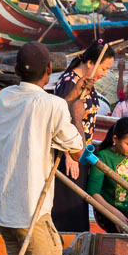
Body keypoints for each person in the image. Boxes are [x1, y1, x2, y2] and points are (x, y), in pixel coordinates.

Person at [0, 42, 82, 255]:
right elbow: (77, 148)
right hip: (33, 213)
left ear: (17, 70)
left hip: (6, 213)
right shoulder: (53, 104)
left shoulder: (3, 97)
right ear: (48, 71)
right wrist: (73, 111)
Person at [48, 40, 114, 233]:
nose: (105, 74)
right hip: (69, 156)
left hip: (81, 152)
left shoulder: (86, 83)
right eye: (104, 68)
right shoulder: (70, 82)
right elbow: (61, 119)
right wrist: (70, 156)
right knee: (68, 209)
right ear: (90, 63)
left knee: (78, 206)